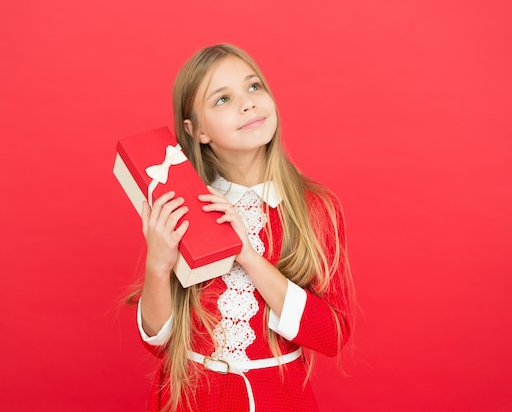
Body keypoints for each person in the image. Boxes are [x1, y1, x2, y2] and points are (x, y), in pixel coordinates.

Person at [129, 43, 354, 412]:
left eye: (254, 87)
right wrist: (157, 266)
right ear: (197, 130)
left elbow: (331, 336)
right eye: (222, 99)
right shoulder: (183, 203)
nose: (247, 103)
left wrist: (249, 256)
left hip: (279, 399)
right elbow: (158, 343)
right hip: (190, 399)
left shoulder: (317, 208)